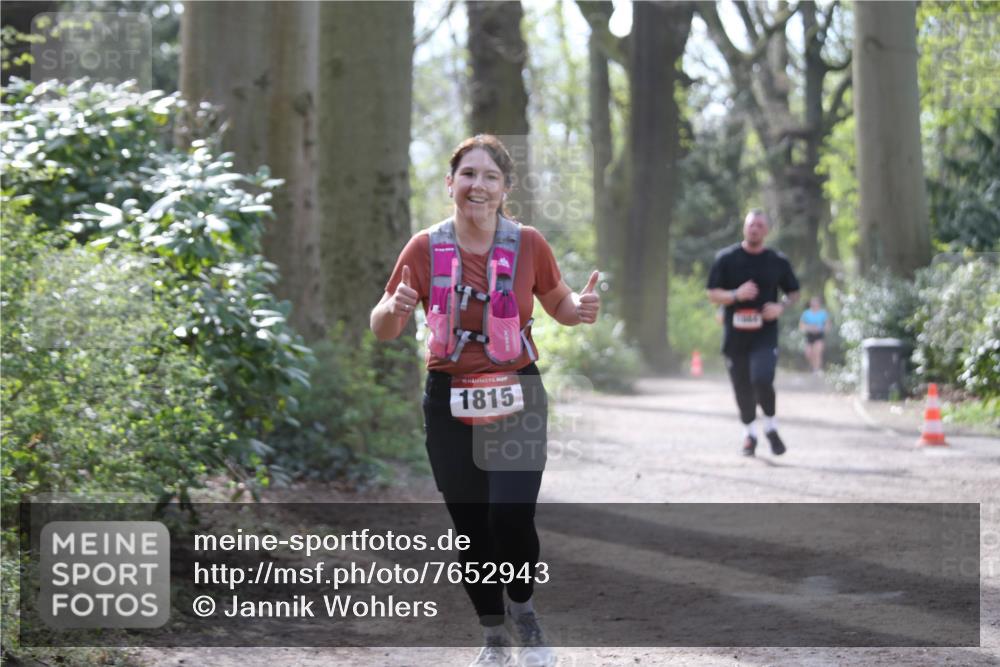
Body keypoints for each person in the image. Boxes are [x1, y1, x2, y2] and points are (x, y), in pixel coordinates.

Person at [371, 134, 601, 667]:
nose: (478, 185)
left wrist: (580, 308)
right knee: (472, 525)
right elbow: (383, 326)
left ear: (505, 189)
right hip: (449, 402)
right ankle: (493, 634)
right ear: (450, 183)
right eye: (468, 174)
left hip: (516, 391)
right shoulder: (425, 248)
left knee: (511, 516)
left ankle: (524, 611)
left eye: (490, 176)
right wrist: (397, 307)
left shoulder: (529, 244)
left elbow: (559, 302)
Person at [706, 209, 800, 457]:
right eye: (750, 225)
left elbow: (793, 293)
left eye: (759, 225)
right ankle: (750, 434)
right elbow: (712, 293)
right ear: (744, 228)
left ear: (766, 230)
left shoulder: (777, 261)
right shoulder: (726, 258)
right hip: (734, 336)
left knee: (762, 378)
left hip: (764, 334)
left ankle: (770, 426)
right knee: (742, 388)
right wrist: (736, 295)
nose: (754, 229)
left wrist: (781, 307)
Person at [799, 296, 831, 373]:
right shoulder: (806, 313)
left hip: (819, 335)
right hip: (809, 335)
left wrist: (820, 328)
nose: (814, 304)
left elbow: (828, 325)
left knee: (817, 352)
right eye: (813, 302)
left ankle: (817, 370)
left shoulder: (823, 313)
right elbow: (801, 326)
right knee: (808, 353)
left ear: (819, 304)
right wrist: (809, 328)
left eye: (816, 302)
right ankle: (813, 366)